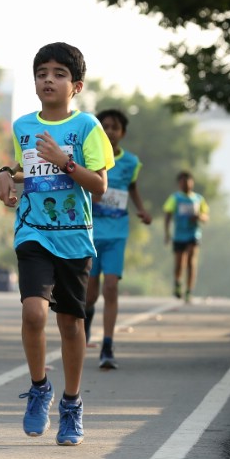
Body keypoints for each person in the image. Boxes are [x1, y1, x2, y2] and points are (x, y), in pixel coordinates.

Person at [0, 42, 113, 446]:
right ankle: (39, 387)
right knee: (33, 314)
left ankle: (72, 403)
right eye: (42, 72)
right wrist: (6, 176)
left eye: (59, 73)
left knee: (70, 324)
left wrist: (65, 160)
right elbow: (24, 170)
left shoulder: (88, 128)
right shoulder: (23, 126)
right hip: (32, 231)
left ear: (76, 85)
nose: (49, 79)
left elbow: (99, 187)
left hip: (74, 236)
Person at [85, 108, 152, 369]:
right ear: (98, 131)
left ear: (122, 133)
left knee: (111, 287)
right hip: (90, 231)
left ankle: (108, 345)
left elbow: (132, 188)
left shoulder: (131, 163)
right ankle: (87, 316)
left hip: (116, 231)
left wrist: (141, 209)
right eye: (106, 126)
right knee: (90, 294)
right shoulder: (90, 157)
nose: (110, 131)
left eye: (115, 127)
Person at [162, 171, 209, 302]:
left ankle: (189, 290)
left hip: (193, 234)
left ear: (192, 182)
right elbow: (167, 214)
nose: (186, 184)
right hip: (179, 235)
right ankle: (178, 283)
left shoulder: (198, 199)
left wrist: (199, 216)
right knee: (179, 263)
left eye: (188, 181)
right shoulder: (175, 198)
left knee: (191, 261)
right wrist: (167, 233)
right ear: (179, 184)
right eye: (182, 181)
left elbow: (205, 216)